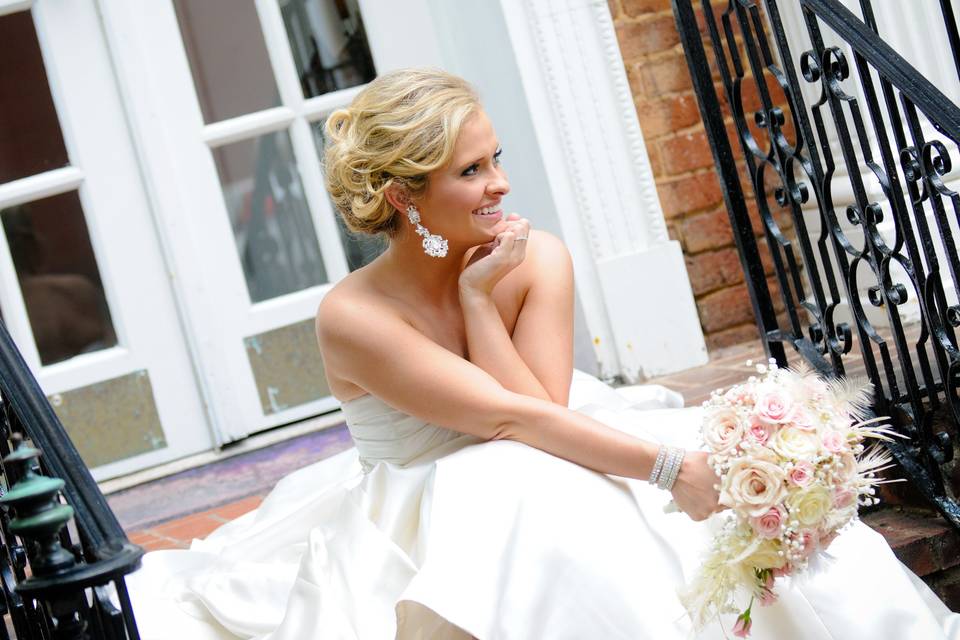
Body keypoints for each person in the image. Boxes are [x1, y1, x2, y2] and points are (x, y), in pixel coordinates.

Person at [127, 69, 959, 639]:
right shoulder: (353, 316)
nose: (500, 184)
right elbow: (504, 416)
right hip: (429, 498)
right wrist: (671, 469)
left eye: (497, 159)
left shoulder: (537, 259)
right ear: (400, 196)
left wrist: (482, 301)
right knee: (517, 490)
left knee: (544, 490)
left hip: (546, 451)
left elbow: (545, 416)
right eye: (470, 170)